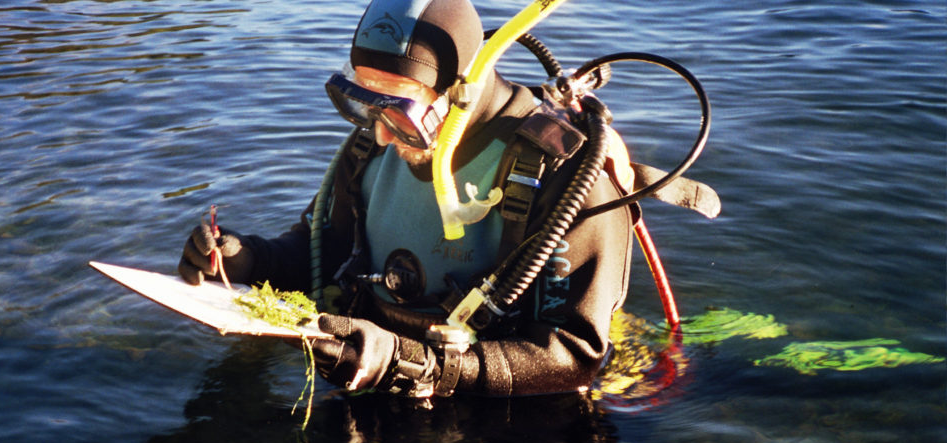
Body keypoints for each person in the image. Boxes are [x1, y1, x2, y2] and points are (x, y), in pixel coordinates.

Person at [178, 0, 635, 399]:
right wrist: (251, 259)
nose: (379, 132)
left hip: (508, 418)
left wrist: (415, 364)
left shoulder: (566, 178)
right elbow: (328, 250)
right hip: (371, 372)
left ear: (460, 95)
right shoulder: (369, 149)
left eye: (398, 112)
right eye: (364, 104)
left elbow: (570, 358)